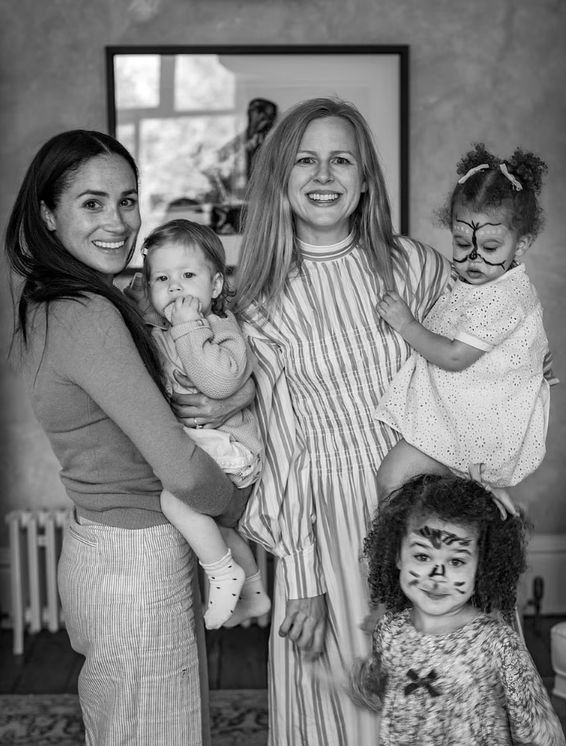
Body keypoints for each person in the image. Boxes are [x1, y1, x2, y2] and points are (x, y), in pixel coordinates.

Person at [4, 130, 249, 745]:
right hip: (134, 562)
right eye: (91, 203)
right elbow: (183, 469)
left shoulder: (59, 301)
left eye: (128, 199)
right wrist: (250, 513)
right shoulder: (86, 312)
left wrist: (236, 394)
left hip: (112, 548)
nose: (118, 222)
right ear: (47, 215)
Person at [226, 97, 450, 746]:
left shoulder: (413, 267)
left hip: (422, 500)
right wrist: (302, 581)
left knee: (434, 700)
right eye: (305, 159)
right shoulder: (261, 300)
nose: (323, 174)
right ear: (281, 178)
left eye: (340, 159)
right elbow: (283, 447)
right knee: (347, 709)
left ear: (364, 180)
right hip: (328, 519)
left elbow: (471, 371)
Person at [375, 144, 551, 499]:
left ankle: (393, 549)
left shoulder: (503, 295)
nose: (473, 259)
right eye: (460, 242)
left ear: (521, 246)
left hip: (473, 427)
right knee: (410, 491)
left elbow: (456, 357)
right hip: (458, 418)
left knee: (393, 481)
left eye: (489, 248)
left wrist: (407, 324)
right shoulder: (477, 283)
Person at [350, 473, 566, 746]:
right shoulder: (389, 632)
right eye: (422, 556)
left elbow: (540, 731)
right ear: (397, 555)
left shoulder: (497, 645)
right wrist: (364, 684)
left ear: (482, 566)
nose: (437, 575)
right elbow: (389, 692)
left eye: (456, 561)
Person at [140, 218, 270, 629]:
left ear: (214, 287)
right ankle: (252, 593)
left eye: (188, 276)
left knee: (174, 500)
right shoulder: (164, 330)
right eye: (162, 278)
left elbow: (219, 381)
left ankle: (221, 574)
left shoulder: (218, 327)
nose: (175, 287)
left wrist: (187, 325)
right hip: (209, 445)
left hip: (232, 447)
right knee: (214, 527)